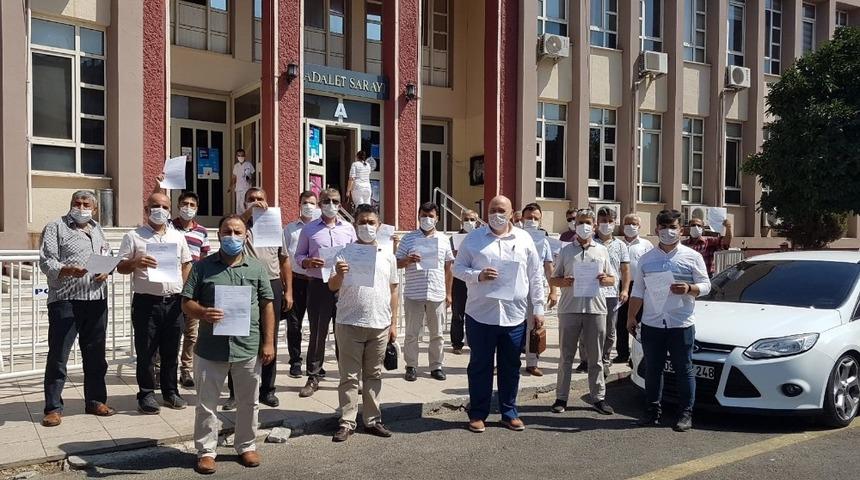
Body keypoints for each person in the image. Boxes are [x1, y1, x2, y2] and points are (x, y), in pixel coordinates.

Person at [181, 215, 276, 474]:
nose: (232, 236)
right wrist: (202, 313)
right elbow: (185, 301)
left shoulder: (257, 268)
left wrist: (268, 342)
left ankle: (245, 446)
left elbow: (267, 305)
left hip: (247, 347)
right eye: (227, 231)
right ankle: (207, 451)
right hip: (211, 349)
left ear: (246, 236)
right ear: (218, 234)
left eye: (237, 232)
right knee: (206, 403)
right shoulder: (202, 267)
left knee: (249, 401)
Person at [453, 195, 545, 433]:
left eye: (501, 210)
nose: (496, 214)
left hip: (514, 316)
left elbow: (535, 275)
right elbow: (457, 268)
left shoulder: (524, 239)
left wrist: (539, 308)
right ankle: (478, 413)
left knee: (511, 366)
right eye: (493, 209)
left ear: (512, 212)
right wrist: (478, 275)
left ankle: (509, 412)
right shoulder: (473, 239)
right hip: (480, 315)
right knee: (480, 366)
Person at [627, 209, 711, 432]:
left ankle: (686, 413)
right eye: (663, 227)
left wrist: (689, 288)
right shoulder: (647, 259)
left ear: (680, 230)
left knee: (684, 369)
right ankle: (651, 411)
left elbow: (706, 285)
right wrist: (631, 317)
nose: (668, 232)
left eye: (672, 227)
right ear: (656, 230)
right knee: (653, 369)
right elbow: (637, 291)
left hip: (680, 323)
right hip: (653, 322)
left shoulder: (693, 257)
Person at [38, 191, 116, 427]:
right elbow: (46, 259)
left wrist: (107, 270)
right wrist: (67, 269)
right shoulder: (56, 227)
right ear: (71, 205)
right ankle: (53, 408)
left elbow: (108, 255)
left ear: (94, 209)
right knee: (58, 356)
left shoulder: (98, 229)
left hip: (96, 299)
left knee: (95, 355)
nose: (80, 207)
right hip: (66, 300)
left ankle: (95, 400)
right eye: (77, 203)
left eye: (86, 204)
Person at [328, 204, 400, 442]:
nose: (367, 227)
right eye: (362, 222)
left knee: (374, 375)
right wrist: (339, 273)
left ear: (378, 225)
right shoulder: (344, 253)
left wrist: (393, 323)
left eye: (371, 222)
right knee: (348, 376)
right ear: (355, 225)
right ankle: (347, 421)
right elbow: (332, 286)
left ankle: (372, 419)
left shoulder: (387, 255)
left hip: (379, 323)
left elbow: (393, 290)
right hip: (349, 322)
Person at [117, 193, 193, 414]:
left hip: (174, 302)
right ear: (146, 209)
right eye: (155, 206)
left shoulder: (178, 237)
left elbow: (186, 264)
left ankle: (170, 392)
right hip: (146, 304)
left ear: (170, 210)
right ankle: (146, 393)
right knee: (147, 351)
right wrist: (135, 262)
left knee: (171, 350)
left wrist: (185, 290)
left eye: (164, 206)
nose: (160, 209)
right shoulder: (133, 236)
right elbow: (120, 267)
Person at [222, 188, 292, 410]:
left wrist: (288, 290)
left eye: (260, 199)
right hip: (244, 282)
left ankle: (267, 390)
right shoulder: (239, 228)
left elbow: (284, 260)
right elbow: (234, 229)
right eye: (251, 200)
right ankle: (235, 393)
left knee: (269, 338)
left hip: (271, 283)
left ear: (267, 201)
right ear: (244, 203)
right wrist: (248, 214)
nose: (256, 203)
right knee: (238, 337)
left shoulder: (274, 226)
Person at [549, 208, 616, 415]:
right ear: (574, 225)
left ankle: (598, 398)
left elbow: (612, 278)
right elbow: (553, 279)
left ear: (594, 225)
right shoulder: (566, 251)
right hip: (570, 309)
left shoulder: (602, 250)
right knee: (566, 357)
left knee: (595, 357)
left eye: (587, 222)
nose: (583, 226)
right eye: (579, 222)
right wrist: (564, 282)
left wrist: (605, 280)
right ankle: (561, 397)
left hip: (596, 308)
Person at [295, 188, 357, 397]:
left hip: (343, 286)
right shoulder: (309, 229)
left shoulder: (349, 228)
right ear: (320, 204)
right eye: (327, 201)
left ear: (341, 204)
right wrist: (308, 261)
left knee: (345, 334)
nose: (331, 204)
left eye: (335, 201)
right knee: (318, 332)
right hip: (318, 285)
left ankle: (348, 377)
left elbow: (357, 253)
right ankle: (313, 376)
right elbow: (298, 256)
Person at [396, 202, 454, 381]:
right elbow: (396, 263)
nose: (427, 219)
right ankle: (411, 365)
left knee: (437, 334)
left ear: (437, 218)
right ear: (418, 216)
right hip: (414, 292)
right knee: (412, 333)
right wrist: (408, 260)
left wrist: (449, 292)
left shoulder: (444, 239)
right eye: (423, 215)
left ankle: (436, 366)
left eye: (430, 216)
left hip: (436, 292)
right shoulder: (408, 238)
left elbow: (448, 267)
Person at [576, 207, 629, 376]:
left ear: (615, 223)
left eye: (609, 221)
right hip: (590, 292)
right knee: (585, 329)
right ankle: (585, 360)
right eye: (603, 221)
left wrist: (625, 289)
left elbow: (625, 270)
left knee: (609, 330)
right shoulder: (590, 242)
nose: (606, 224)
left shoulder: (620, 245)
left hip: (612, 294)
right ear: (597, 223)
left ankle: (604, 360)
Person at [171, 191, 211, 389]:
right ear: (178, 205)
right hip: (171, 286)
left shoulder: (202, 231)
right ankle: (161, 366)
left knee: (191, 333)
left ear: (196, 208)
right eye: (184, 203)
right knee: (170, 331)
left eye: (191, 204)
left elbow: (205, 258)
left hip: (193, 289)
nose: (188, 207)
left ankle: (185, 369)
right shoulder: (168, 227)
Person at [282, 191, 321, 378]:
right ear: (299, 204)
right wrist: (286, 287)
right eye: (305, 202)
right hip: (296, 281)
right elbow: (285, 258)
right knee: (294, 324)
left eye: (312, 203)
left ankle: (315, 364)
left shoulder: (320, 229)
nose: (309, 206)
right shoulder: (289, 229)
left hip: (316, 282)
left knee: (317, 325)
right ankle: (295, 362)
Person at [519, 203, 558, 377]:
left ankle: (532, 363)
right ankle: (505, 361)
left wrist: (553, 290)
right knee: (508, 326)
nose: (532, 221)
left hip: (535, 289)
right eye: (529, 218)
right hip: (514, 288)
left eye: (535, 218)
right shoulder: (514, 236)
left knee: (534, 326)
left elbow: (549, 267)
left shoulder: (544, 241)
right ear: (522, 218)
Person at [614, 213, 653, 364]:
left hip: (640, 287)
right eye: (627, 223)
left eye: (634, 223)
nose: (630, 226)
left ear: (639, 226)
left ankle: (639, 353)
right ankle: (622, 353)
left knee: (640, 320)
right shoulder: (618, 244)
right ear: (622, 226)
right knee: (621, 321)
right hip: (622, 286)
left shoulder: (646, 245)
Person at [450, 210, 479, 354]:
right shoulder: (454, 238)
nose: (469, 222)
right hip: (460, 279)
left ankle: (474, 342)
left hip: (476, 280)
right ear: (461, 221)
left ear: (477, 221)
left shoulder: (481, 237)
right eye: (466, 219)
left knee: (475, 313)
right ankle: (457, 343)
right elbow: (448, 259)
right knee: (458, 312)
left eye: (472, 219)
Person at [229, 149, 255, 215]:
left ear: (245, 156)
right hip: (238, 188)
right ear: (236, 156)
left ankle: (247, 219)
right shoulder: (236, 166)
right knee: (238, 205)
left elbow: (254, 176)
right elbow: (234, 177)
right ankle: (239, 219)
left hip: (246, 188)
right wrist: (230, 186)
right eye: (239, 155)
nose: (240, 157)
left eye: (242, 155)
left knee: (244, 204)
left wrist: (250, 179)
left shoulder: (248, 164)